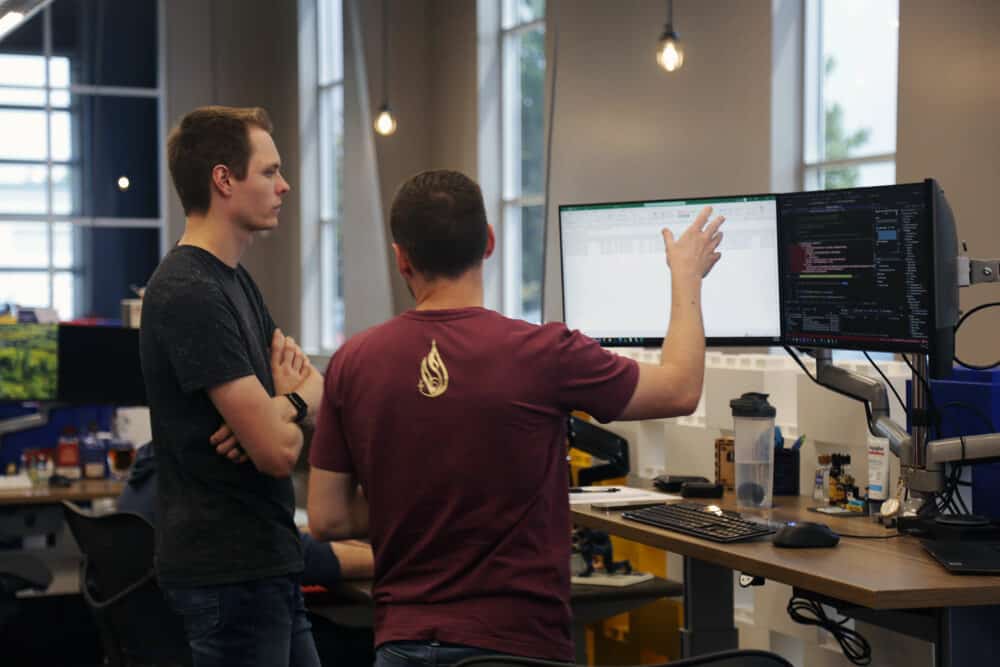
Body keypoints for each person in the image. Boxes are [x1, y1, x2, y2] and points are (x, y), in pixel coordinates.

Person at [306, 169, 724, 665]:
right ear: (489, 241)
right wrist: (686, 277)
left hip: (404, 643)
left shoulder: (353, 360)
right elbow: (679, 388)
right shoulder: (544, 351)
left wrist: (417, 503)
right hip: (517, 647)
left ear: (401, 258)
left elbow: (328, 516)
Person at [140, 106, 324, 667]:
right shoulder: (190, 291)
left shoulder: (234, 280)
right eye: (269, 172)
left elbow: (319, 383)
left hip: (265, 566)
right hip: (230, 575)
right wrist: (290, 405)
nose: (284, 186)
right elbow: (276, 451)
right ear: (224, 179)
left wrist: (279, 407)